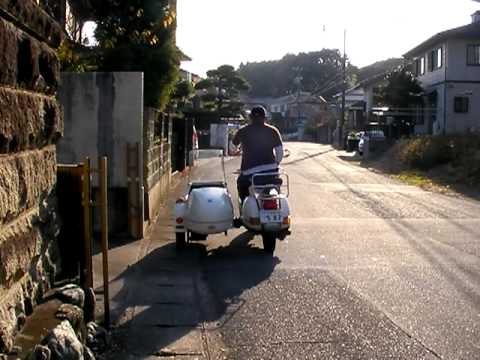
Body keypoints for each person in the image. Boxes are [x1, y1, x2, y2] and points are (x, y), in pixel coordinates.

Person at [232, 106, 284, 203]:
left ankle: (244, 206)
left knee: (241, 183)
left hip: (250, 173)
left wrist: (236, 151)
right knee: (274, 186)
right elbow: (280, 154)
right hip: (271, 172)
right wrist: (275, 164)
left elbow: (232, 147)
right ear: (265, 117)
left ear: (250, 117)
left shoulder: (243, 131)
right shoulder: (273, 131)